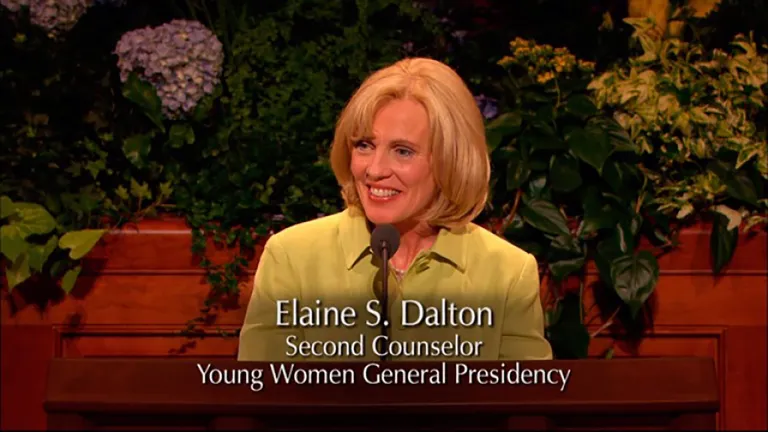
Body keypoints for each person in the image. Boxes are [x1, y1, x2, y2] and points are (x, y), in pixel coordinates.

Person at [237, 57, 552, 362]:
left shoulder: (507, 273)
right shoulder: (292, 258)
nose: (375, 170)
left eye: (403, 151)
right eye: (364, 145)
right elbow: (259, 391)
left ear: (451, 160)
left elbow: (527, 396)